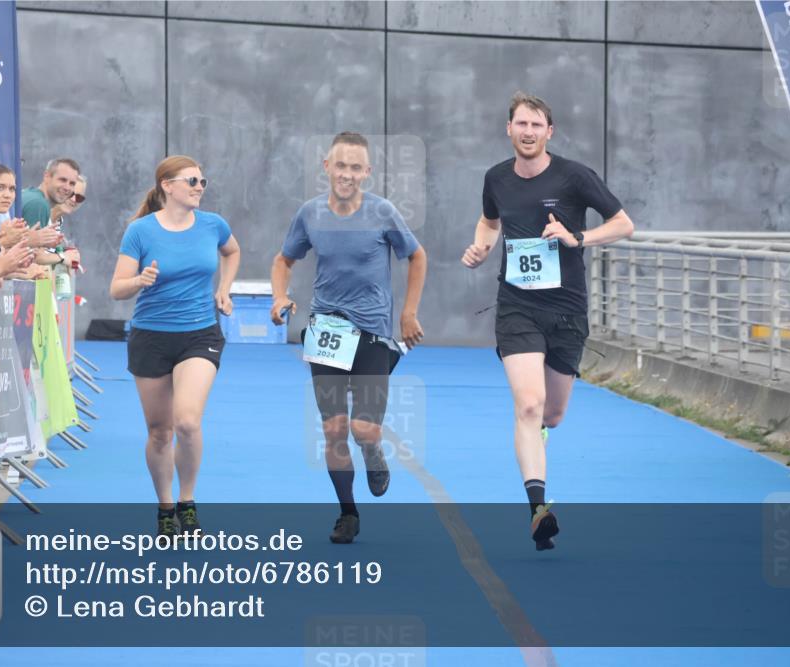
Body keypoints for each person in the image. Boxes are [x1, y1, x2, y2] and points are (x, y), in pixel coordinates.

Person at [461, 92, 634, 550]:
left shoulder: (575, 176)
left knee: (551, 415)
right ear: (509, 128)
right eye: (521, 124)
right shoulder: (496, 178)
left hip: (567, 310)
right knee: (529, 404)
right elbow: (488, 221)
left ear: (549, 132)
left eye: (537, 125)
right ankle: (538, 507)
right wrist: (481, 246)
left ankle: (535, 441)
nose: (528, 132)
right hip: (517, 306)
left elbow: (623, 224)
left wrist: (579, 237)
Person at [270, 132, 427, 544]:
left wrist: (408, 312)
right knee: (334, 430)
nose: (347, 174)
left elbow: (417, 255)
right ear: (327, 167)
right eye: (341, 166)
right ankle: (347, 513)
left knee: (364, 430)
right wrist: (280, 295)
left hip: (373, 332)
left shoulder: (383, 212)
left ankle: (374, 453)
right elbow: (283, 259)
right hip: (325, 331)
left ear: (368, 172)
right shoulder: (309, 214)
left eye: (356, 167)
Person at [110, 156, 240, 537]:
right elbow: (117, 288)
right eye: (192, 180)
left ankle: (187, 501)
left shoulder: (214, 225)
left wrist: (224, 288)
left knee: (187, 420)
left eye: (203, 180)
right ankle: (165, 506)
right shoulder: (140, 231)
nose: (200, 186)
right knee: (160, 431)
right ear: (167, 185)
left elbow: (232, 252)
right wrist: (140, 280)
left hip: (200, 333)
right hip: (151, 336)